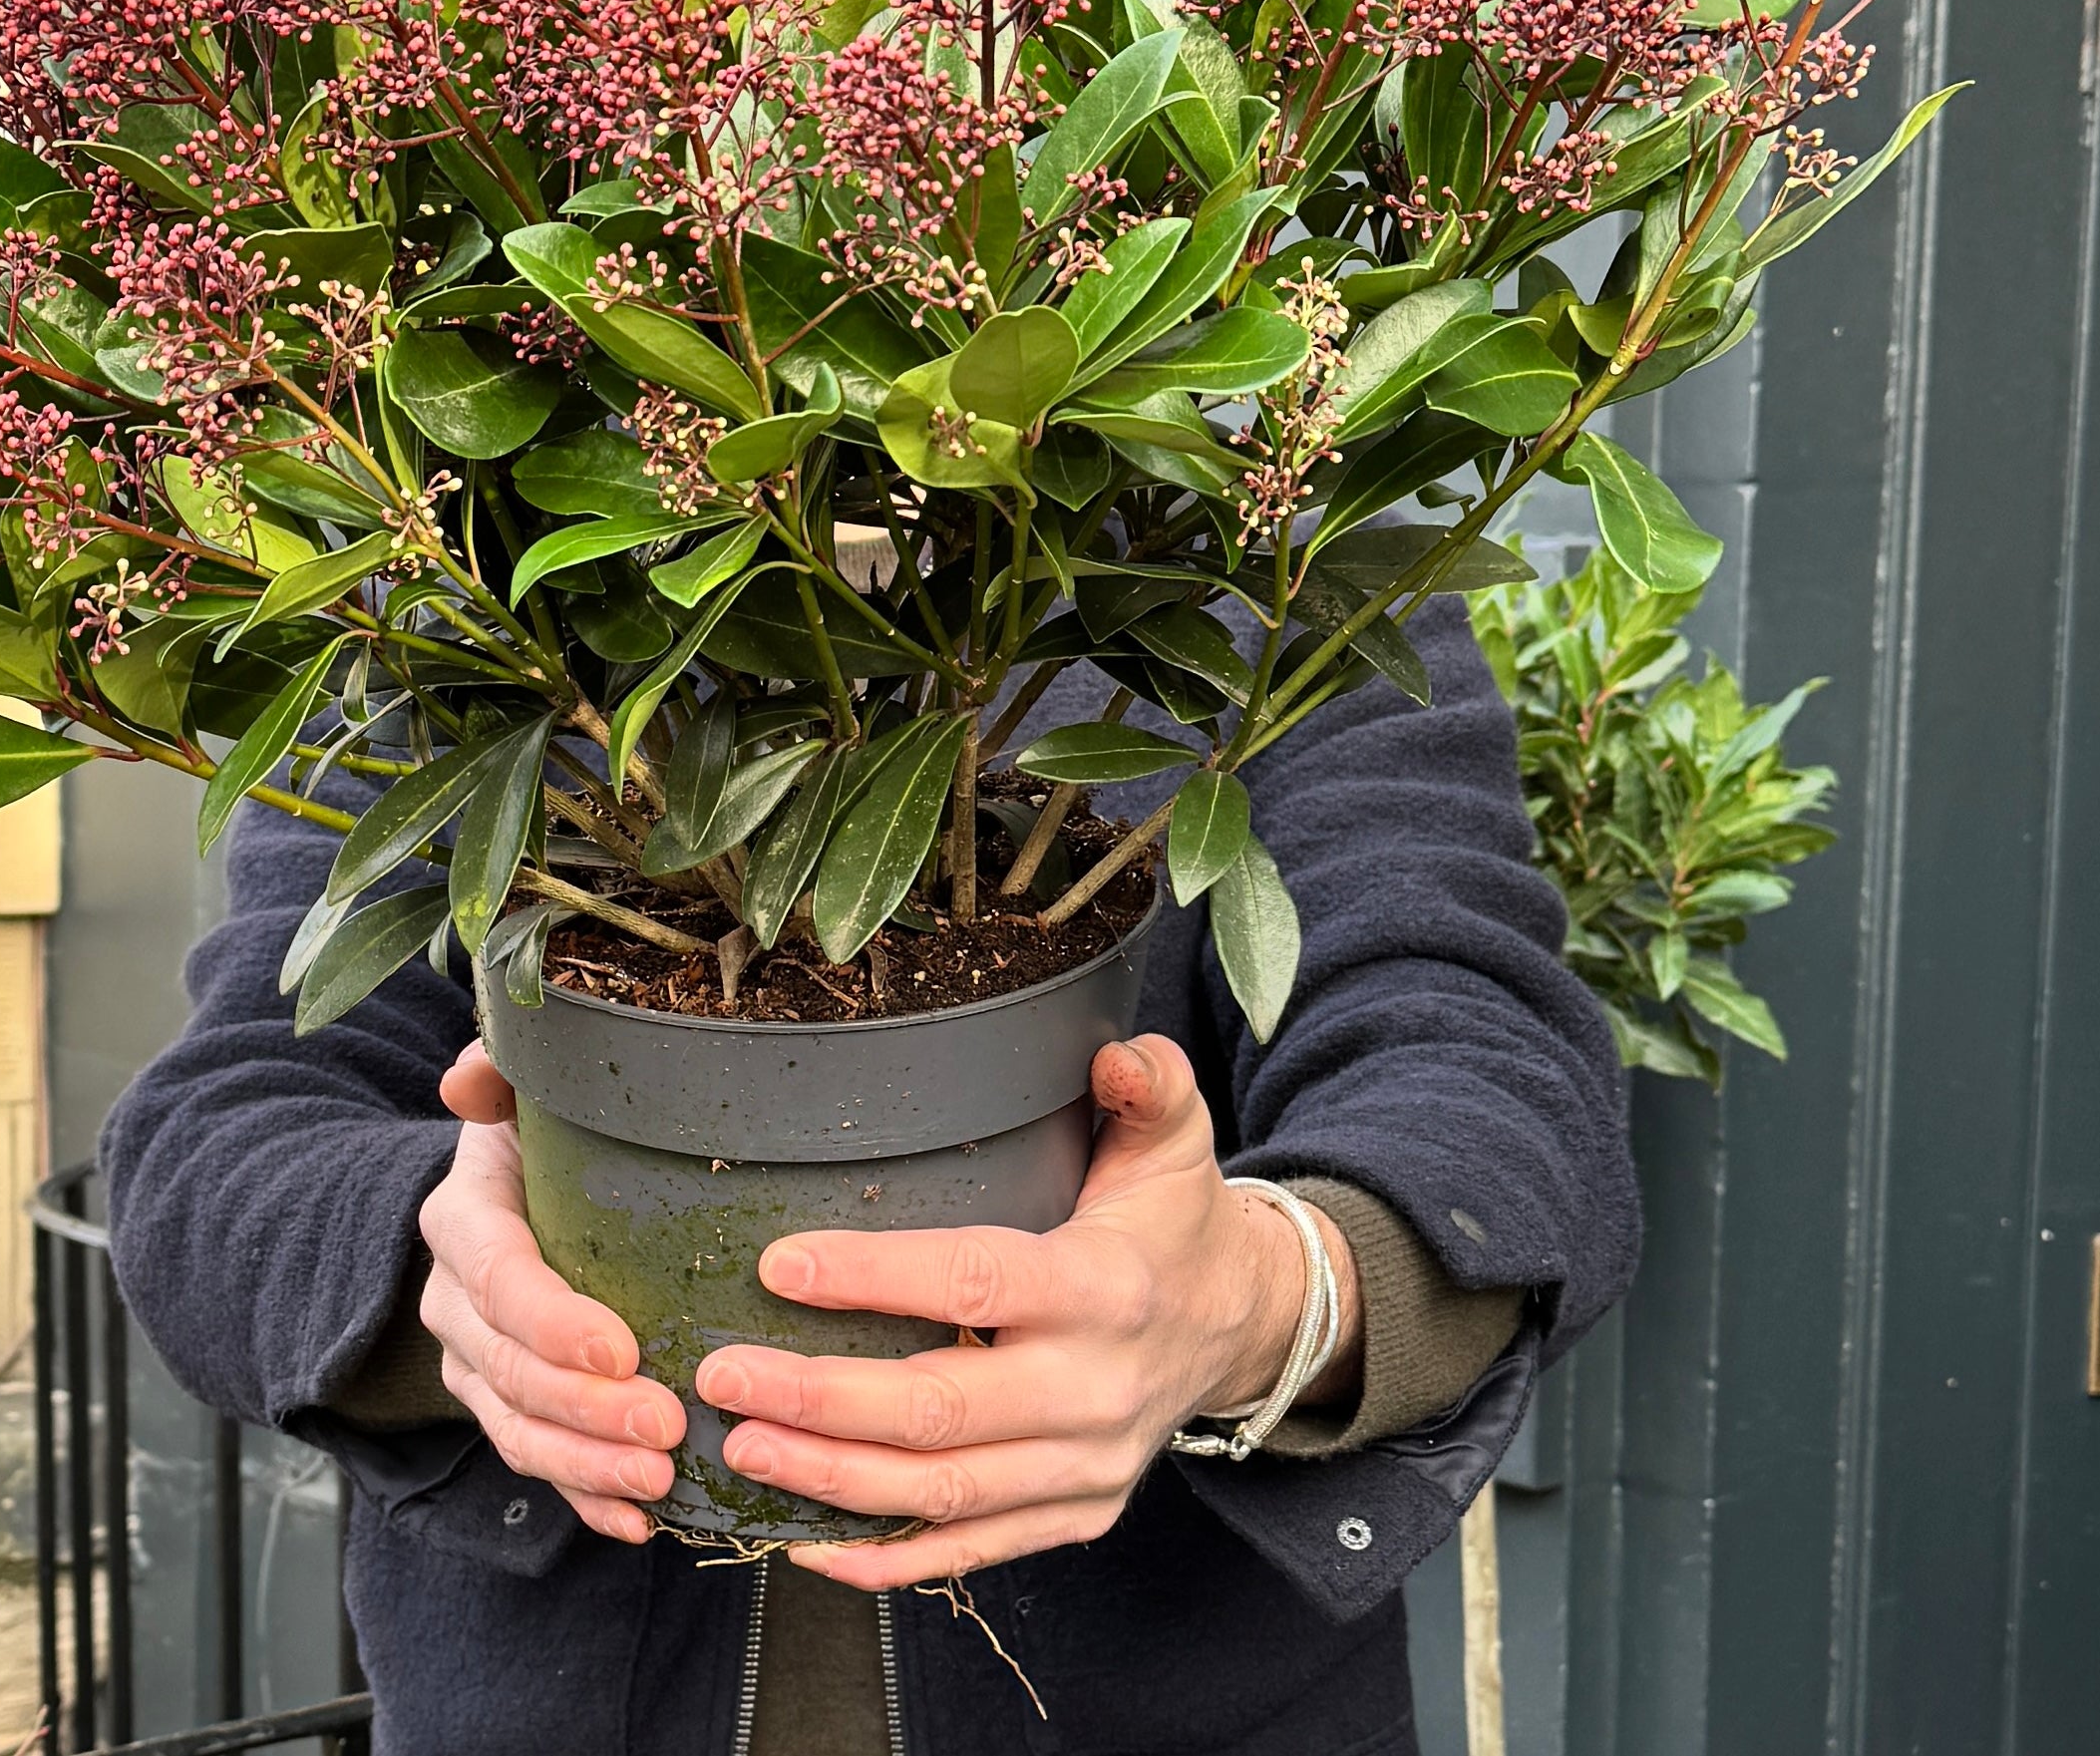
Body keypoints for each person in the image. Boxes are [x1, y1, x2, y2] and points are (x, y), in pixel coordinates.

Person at [102, 596, 1639, 1754]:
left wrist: (1247, 1300)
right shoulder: (444, 591)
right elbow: (225, 1134)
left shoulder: (1267, 567)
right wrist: (445, 1279)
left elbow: (1481, 1072)